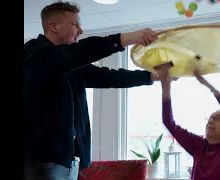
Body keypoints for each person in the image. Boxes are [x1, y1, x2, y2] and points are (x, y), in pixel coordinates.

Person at [23, 1, 171, 180]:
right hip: (42, 162)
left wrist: (152, 76)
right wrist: (126, 38)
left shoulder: (70, 64)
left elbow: (108, 76)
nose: (80, 31)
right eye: (74, 24)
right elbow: (79, 52)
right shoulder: (34, 52)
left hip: (69, 162)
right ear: (53, 26)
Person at [159, 67, 220, 180]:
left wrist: (211, 88)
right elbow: (169, 123)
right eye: (210, 119)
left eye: (218, 118)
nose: (211, 121)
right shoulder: (199, 146)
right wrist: (166, 87)